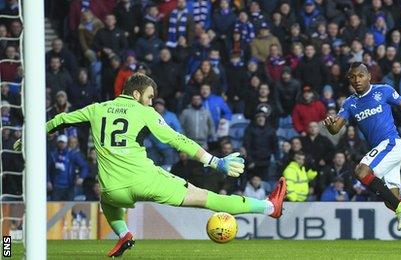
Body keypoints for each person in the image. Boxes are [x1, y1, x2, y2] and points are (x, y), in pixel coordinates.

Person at [40, 73, 286, 257]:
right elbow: (176, 139)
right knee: (208, 199)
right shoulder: (143, 111)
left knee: (108, 200)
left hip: (112, 189)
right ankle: (268, 206)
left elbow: (61, 120)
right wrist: (213, 161)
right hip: (146, 181)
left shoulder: (96, 109)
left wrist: (34, 135)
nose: (150, 102)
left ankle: (123, 233)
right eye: (149, 97)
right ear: (136, 95)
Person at [323, 62, 401, 231]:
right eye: (352, 77)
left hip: (391, 143)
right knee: (392, 201)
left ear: (369, 76)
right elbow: (336, 129)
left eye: (360, 75)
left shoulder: (384, 91)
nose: (357, 80)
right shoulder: (350, 103)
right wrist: (330, 126)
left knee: (361, 171)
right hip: (384, 151)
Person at [47, 135, 89, 201]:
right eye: (60, 142)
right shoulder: (52, 155)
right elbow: (47, 169)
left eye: (63, 142)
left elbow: (84, 166)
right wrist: (48, 181)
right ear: (57, 143)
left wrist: (81, 177)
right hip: (56, 186)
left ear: (66, 143)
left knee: (68, 208)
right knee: (55, 207)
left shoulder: (72, 154)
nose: (62, 144)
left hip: (69, 186)